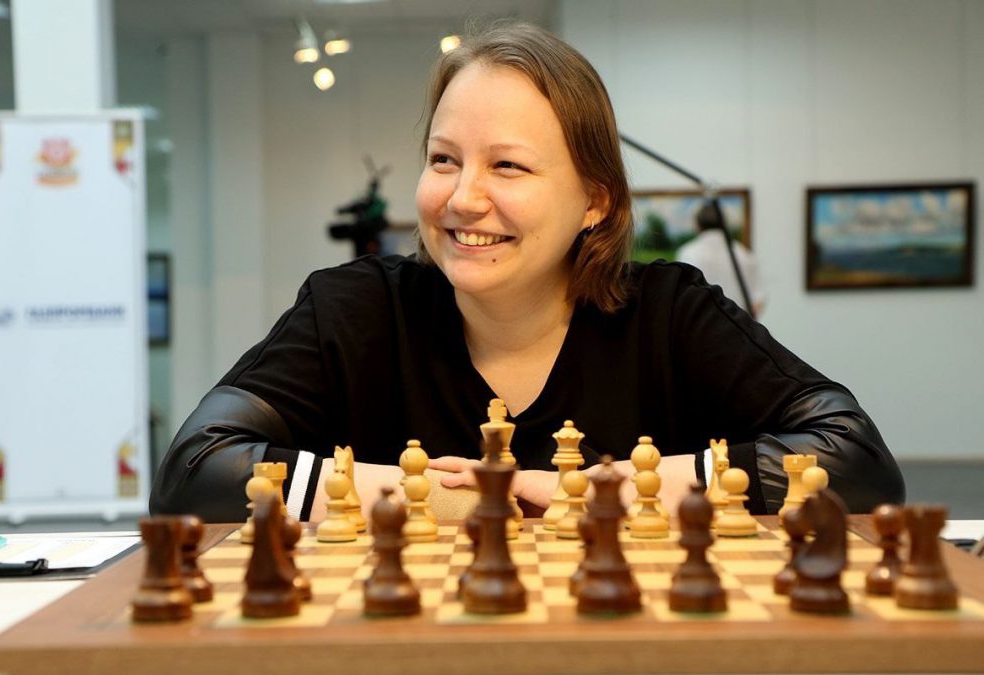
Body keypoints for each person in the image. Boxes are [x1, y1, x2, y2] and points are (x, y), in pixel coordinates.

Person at [149, 22, 904, 524]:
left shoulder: (672, 313)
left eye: (507, 165)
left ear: (594, 201)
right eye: (443, 159)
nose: (461, 197)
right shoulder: (352, 309)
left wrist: (581, 491)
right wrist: (435, 499)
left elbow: (858, 461)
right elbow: (193, 469)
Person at [676, 202, 768, 317]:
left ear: (698, 225)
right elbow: (758, 301)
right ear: (724, 224)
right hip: (737, 325)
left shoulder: (687, 253)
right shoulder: (744, 254)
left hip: (699, 325)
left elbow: (682, 300)